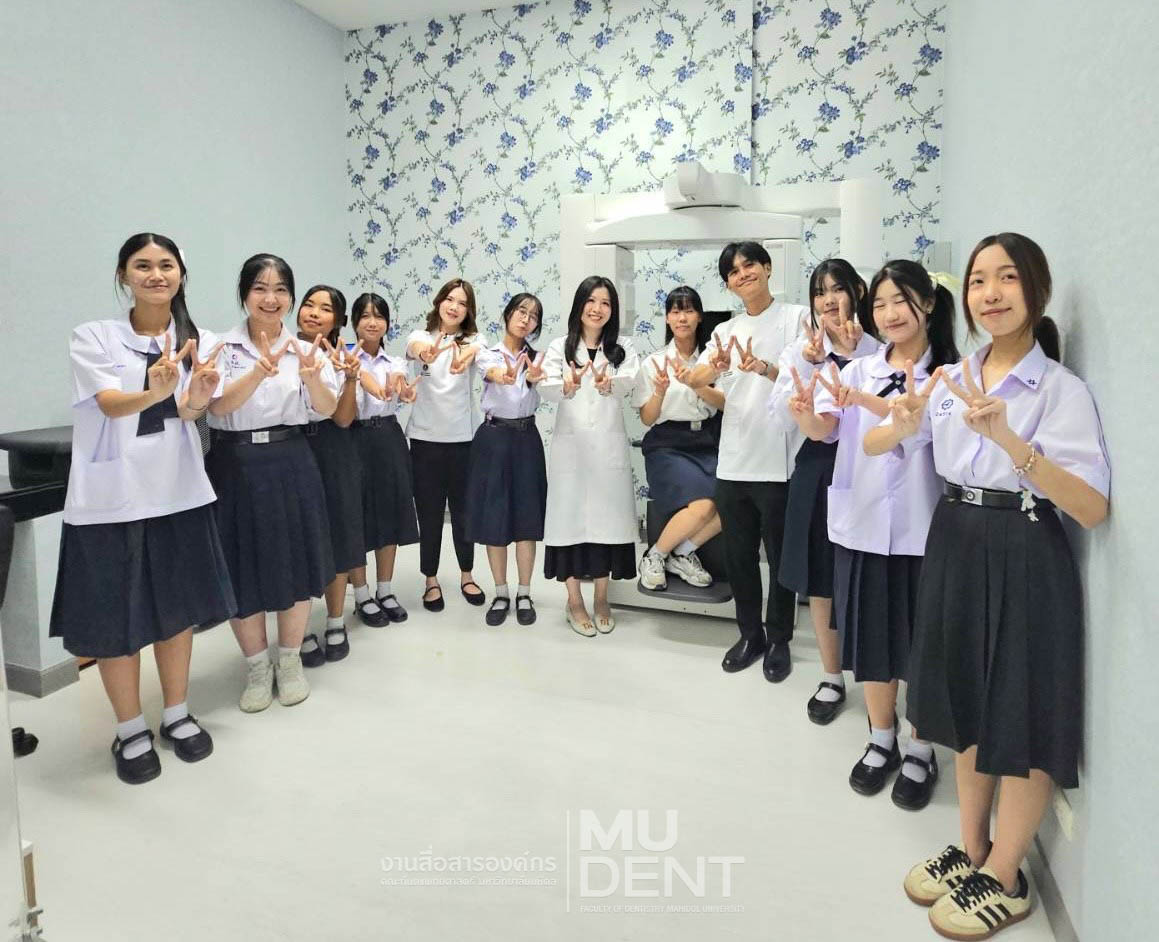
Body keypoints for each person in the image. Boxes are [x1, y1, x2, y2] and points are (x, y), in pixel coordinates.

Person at [867, 234, 1110, 938]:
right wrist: (899, 423)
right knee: (963, 699)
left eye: (1007, 278)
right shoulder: (952, 377)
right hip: (954, 537)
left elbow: (1091, 509)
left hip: (1023, 545)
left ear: (1036, 291)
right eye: (978, 280)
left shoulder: (1059, 390)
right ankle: (971, 849)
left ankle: (1006, 874)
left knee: (1020, 707)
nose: (990, 293)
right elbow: (879, 445)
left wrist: (1011, 443)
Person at [49, 232, 235, 784]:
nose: (156, 274)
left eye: (167, 265)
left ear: (181, 274)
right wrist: (153, 391)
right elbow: (110, 405)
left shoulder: (195, 339)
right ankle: (130, 728)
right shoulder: (94, 336)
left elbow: (189, 414)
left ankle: (176, 713)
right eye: (143, 265)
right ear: (123, 275)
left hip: (178, 492)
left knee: (177, 612)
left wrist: (197, 396)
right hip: (112, 501)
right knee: (117, 619)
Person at [791, 259, 958, 812]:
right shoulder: (858, 370)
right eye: (880, 304)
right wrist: (805, 417)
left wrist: (905, 420)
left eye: (900, 301)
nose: (889, 314)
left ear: (927, 304)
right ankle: (881, 736)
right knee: (873, 641)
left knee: (923, 647)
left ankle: (920, 747)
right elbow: (827, 427)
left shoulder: (951, 375)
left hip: (925, 529)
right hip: (862, 524)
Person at [206, 254, 338, 713]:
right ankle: (258, 668)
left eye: (281, 289)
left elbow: (325, 409)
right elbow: (216, 407)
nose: (270, 298)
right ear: (244, 293)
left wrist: (312, 378)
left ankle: (290, 660)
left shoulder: (306, 350)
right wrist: (258, 371)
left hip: (290, 458)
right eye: (260, 288)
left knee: (294, 559)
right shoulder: (220, 346)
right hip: (234, 462)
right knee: (242, 563)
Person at [686, 241, 808, 681]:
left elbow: (808, 373)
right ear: (728, 284)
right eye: (733, 272)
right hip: (735, 461)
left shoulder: (797, 318)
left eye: (749, 265)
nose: (743, 274)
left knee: (779, 558)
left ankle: (779, 640)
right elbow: (695, 378)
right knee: (739, 558)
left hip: (779, 460)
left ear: (767, 268)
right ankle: (750, 635)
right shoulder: (726, 330)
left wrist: (766, 367)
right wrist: (716, 366)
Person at [768, 259, 879, 724]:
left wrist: (853, 357)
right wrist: (810, 367)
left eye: (837, 289)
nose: (828, 300)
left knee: (870, 579)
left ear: (858, 292)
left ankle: (878, 685)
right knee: (819, 577)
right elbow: (780, 415)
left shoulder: (880, 349)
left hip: (871, 469)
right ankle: (832, 676)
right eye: (819, 292)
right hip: (817, 467)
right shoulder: (801, 350)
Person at [539, 276, 640, 636]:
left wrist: (610, 383)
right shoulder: (560, 346)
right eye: (591, 301)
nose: (597, 309)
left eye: (606, 303)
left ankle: (600, 599)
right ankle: (574, 601)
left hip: (607, 449)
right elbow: (546, 385)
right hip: (572, 449)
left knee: (606, 525)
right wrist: (565, 385)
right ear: (580, 305)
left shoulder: (623, 346)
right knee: (567, 524)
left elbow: (632, 380)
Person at [633, 286, 725, 591]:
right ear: (667, 319)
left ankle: (682, 554)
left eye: (688, 310)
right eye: (675, 311)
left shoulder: (713, 361)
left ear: (699, 317)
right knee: (704, 506)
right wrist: (660, 391)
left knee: (735, 503)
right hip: (668, 444)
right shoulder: (654, 363)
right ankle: (655, 556)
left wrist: (696, 382)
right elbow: (647, 419)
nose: (682, 317)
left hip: (708, 441)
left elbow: (725, 403)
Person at [465, 293, 549, 626]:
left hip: (527, 438)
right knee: (494, 517)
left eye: (533, 315)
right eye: (521, 311)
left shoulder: (538, 359)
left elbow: (544, 384)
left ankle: (524, 592)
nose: (526, 319)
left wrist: (534, 377)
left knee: (527, 517)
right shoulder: (487, 353)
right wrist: (507, 374)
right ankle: (500, 592)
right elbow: (494, 373)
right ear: (508, 314)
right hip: (494, 438)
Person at [404, 279, 487, 612]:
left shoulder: (476, 340)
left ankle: (467, 574)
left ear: (469, 311)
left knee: (464, 514)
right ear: (439, 302)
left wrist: (466, 353)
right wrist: (425, 352)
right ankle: (430, 579)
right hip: (425, 440)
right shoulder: (420, 337)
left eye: (462, 303)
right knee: (430, 515)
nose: (454, 307)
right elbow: (414, 348)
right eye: (450, 299)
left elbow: (478, 351)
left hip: (463, 441)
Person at [295, 285, 362, 665]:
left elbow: (344, 418)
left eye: (325, 308)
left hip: (333, 448)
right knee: (300, 538)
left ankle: (336, 621)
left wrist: (350, 378)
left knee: (339, 533)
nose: (314, 313)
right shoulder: (282, 349)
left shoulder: (341, 356)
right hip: (291, 446)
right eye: (309, 305)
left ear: (338, 320)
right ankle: (300, 629)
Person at [347, 292, 420, 626]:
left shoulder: (395, 363)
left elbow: (400, 387)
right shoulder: (345, 357)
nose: (372, 322)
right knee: (357, 515)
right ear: (354, 322)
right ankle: (361, 594)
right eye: (365, 315)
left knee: (389, 511)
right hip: (354, 438)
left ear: (387, 323)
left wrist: (405, 392)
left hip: (389, 437)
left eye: (378, 316)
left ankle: (385, 589)